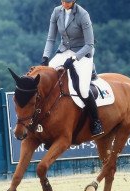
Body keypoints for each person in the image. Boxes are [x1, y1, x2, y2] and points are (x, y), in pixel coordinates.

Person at [41, 0, 103, 137]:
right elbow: (51, 38)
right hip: (64, 51)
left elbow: (89, 44)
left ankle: (96, 121)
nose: (64, 3)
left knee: (82, 89)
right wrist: (45, 56)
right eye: (62, 0)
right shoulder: (56, 12)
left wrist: (74, 59)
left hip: (83, 53)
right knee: (47, 79)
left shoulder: (83, 15)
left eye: (67, 1)